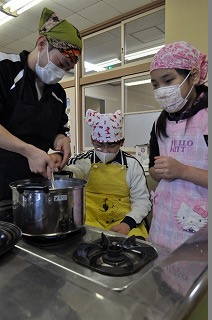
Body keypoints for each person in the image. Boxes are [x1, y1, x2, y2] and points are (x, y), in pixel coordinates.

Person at [0, 7, 82, 201]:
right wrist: (29, 151)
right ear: (42, 43)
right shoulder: (5, 69)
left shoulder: (58, 94)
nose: (61, 73)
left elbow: (56, 128)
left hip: (32, 191)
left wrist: (59, 140)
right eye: (60, 64)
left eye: (68, 69)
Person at [147, 41, 208, 251]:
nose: (161, 90)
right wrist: (159, 171)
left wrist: (182, 170)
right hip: (162, 226)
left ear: (193, 76)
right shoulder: (160, 123)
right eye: (155, 84)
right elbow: (153, 170)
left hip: (200, 231)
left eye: (168, 80)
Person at [53, 109, 152, 238]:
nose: (105, 150)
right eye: (99, 145)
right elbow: (75, 173)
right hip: (90, 220)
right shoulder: (85, 160)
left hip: (123, 220)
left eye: (111, 145)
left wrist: (127, 224)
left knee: (136, 245)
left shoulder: (132, 165)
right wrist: (60, 166)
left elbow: (142, 201)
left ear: (121, 142)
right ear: (92, 141)